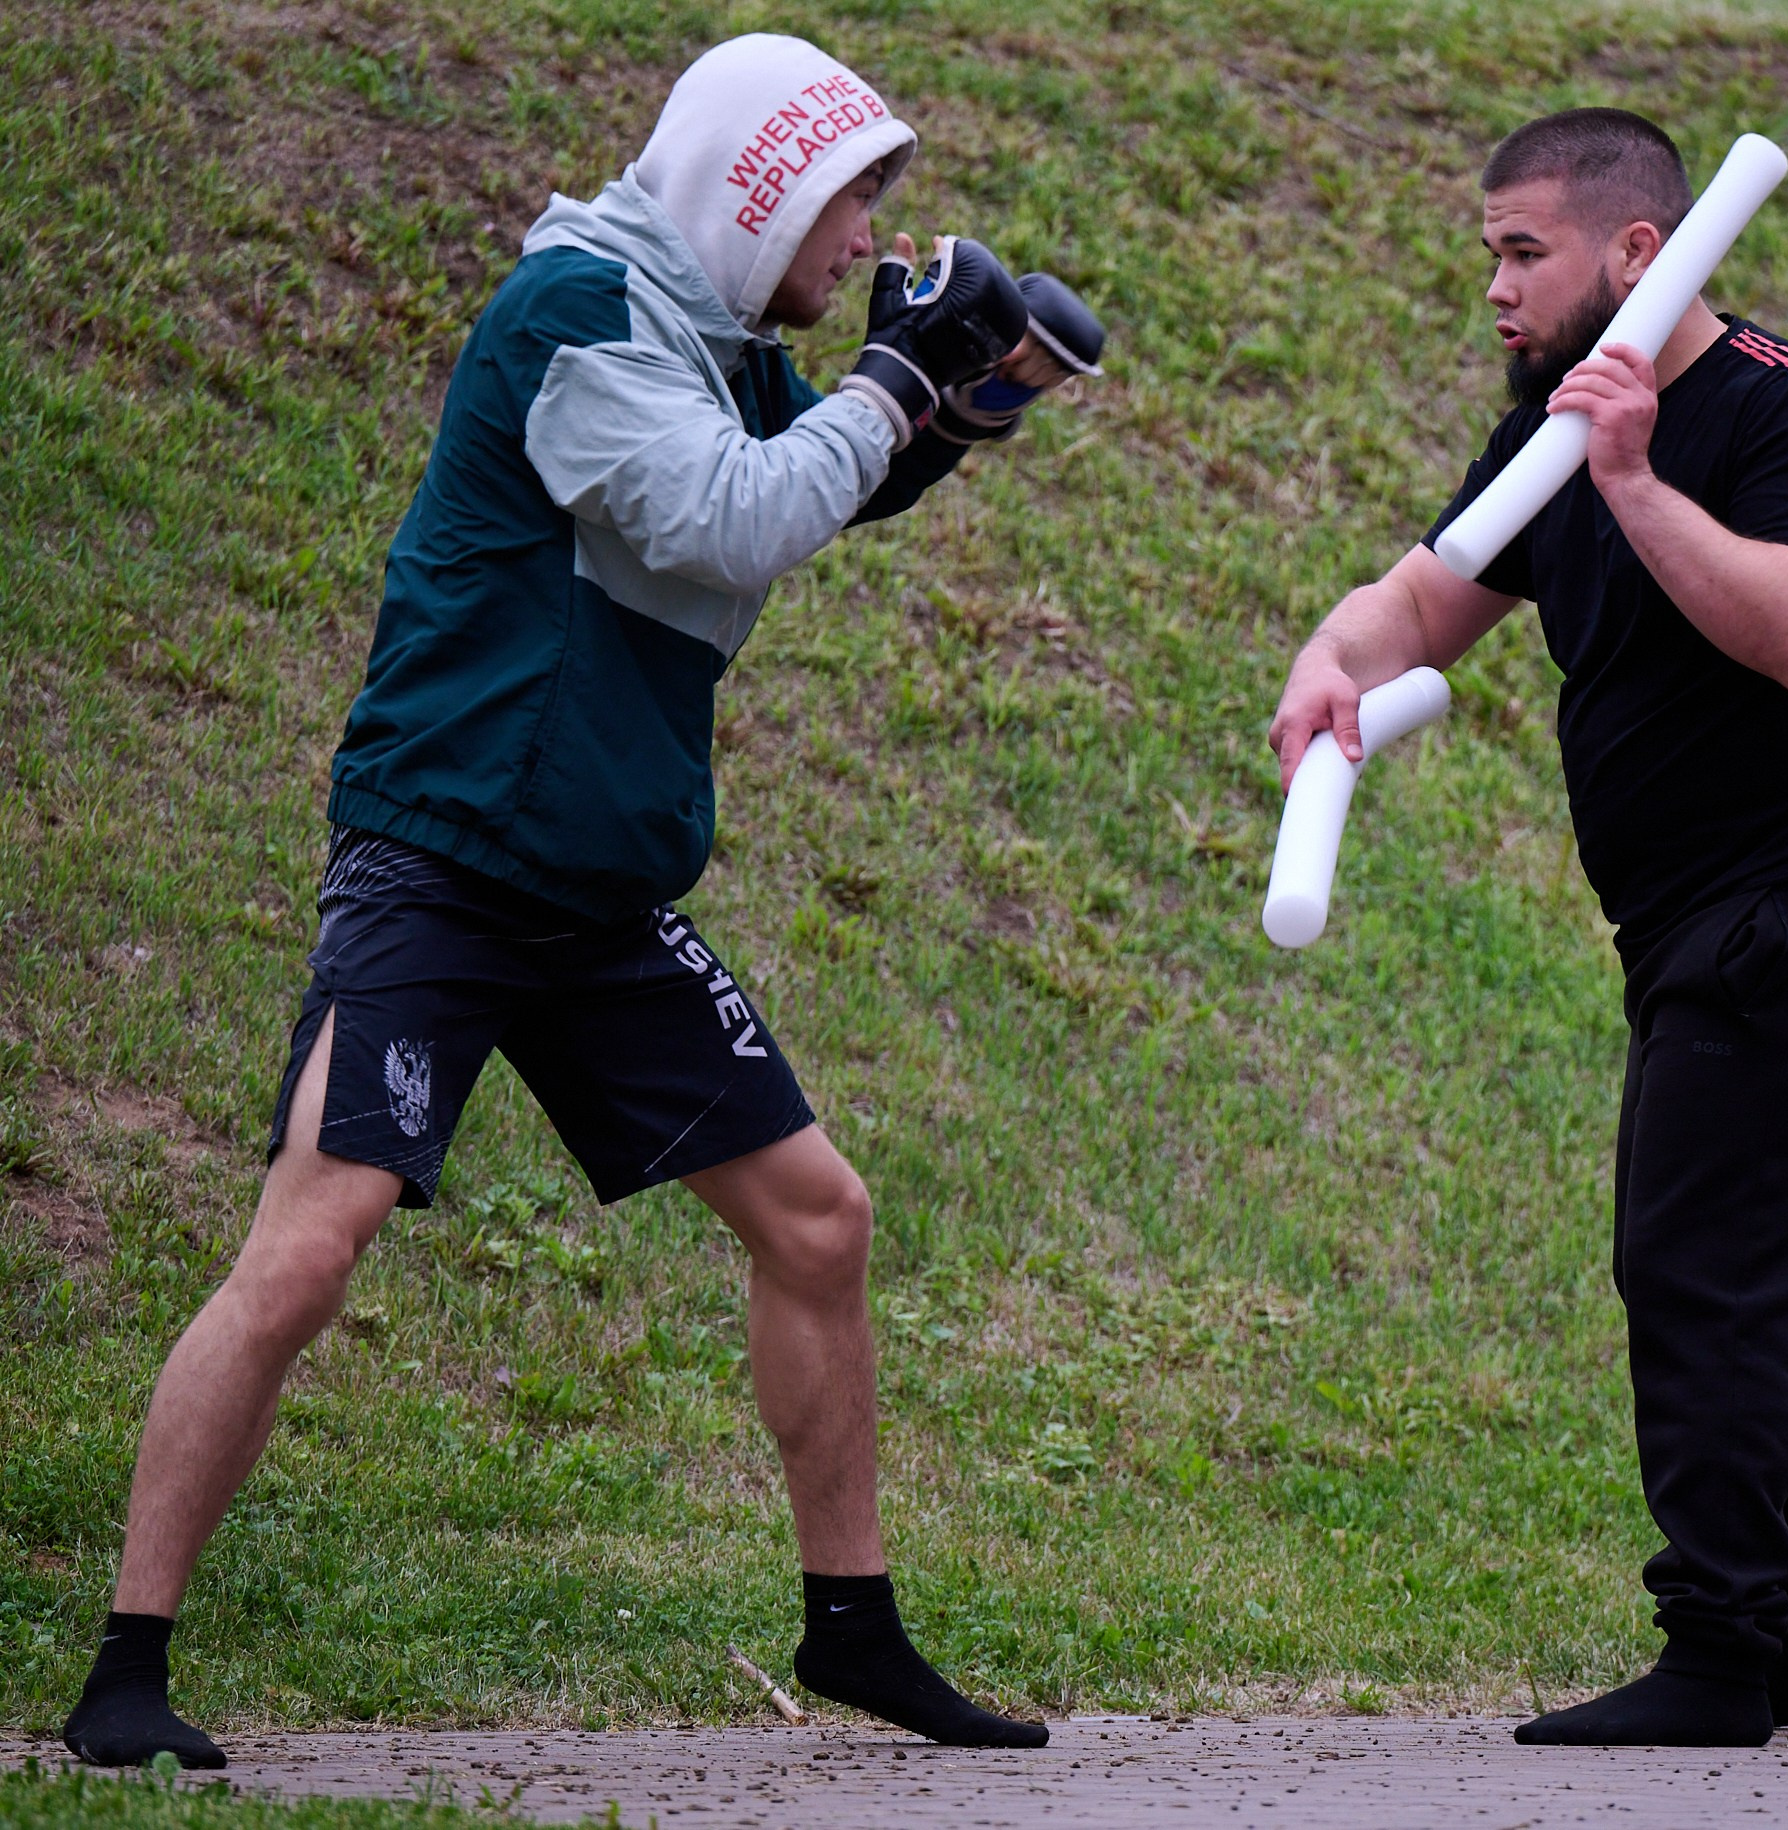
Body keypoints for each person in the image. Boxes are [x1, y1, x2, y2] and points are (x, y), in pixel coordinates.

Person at [62, 32, 1103, 1769]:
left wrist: (961, 401)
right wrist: (894, 380)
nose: (859, 249)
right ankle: (125, 1661)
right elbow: (729, 516)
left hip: (597, 897)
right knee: (311, 1247)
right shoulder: (574, 317)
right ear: (756, 187)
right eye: (848, 208)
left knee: (817, 1221)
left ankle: (851, 1631)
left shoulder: (708, 340)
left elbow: (821, 481)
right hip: (447, 868)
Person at [1268, 108, 1788, 1749]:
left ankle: (1720, 1653)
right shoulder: (1549, 434)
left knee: (1700, 1264)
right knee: (1737, 1268)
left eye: (1523, 252)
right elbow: (1431, 594)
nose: (1494, 287)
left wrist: (1633, 475)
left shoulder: (1785, 404)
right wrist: (1332, 656)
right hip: (1684, 920)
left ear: (1640, 254)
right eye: (1488, 252)